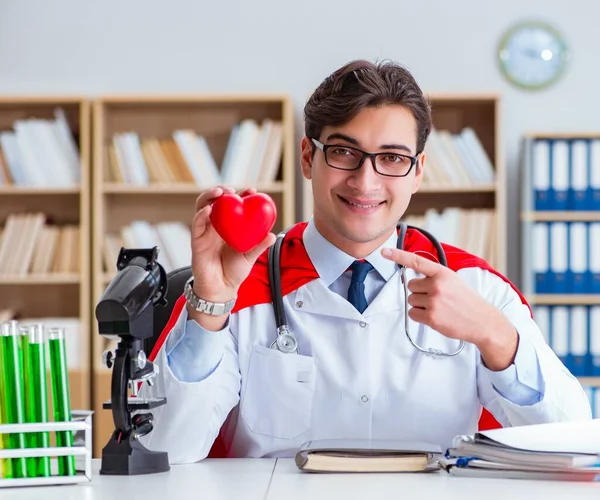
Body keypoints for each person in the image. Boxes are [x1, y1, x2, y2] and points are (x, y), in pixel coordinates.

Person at [139, 59, 592, 464]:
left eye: (392, 158)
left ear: (417, 172)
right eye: (343, 152)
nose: (365, 180)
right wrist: (211, 303)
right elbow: (161, 449)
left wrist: (496, 337)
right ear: (307, 157)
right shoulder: (241, 287)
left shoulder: (477, 287)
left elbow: (574, 440)